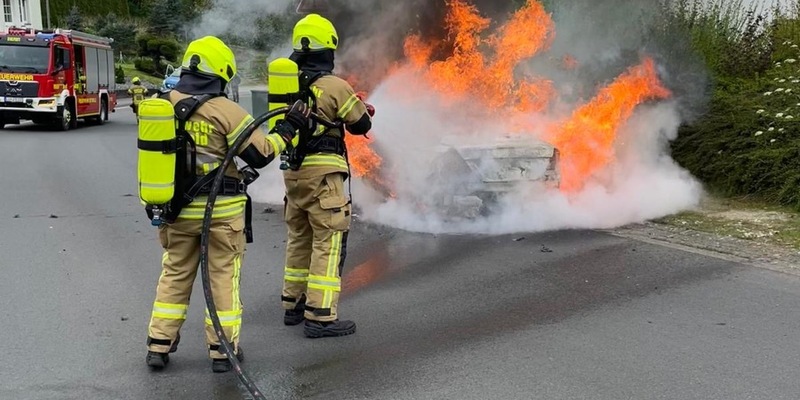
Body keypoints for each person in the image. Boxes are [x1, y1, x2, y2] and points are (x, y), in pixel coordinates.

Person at [144, 35, 312, 372]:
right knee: (222, 278)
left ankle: (159, 344)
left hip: (175, 212)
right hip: (221, 214)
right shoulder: (226, 111)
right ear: (220, 72)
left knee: (175, 273)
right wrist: (288, 128)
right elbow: (260, 154)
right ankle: (223, 350)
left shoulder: (162, 105)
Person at [280, 14, 374, 338]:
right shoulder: (334, 86)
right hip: (324, 179)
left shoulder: (287, 84)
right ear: (328, 50)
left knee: (299, 239)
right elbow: (361, 125)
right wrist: (360, 108)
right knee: (328, 243)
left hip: (293, 175)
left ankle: (293, 305)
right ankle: (320, 317)